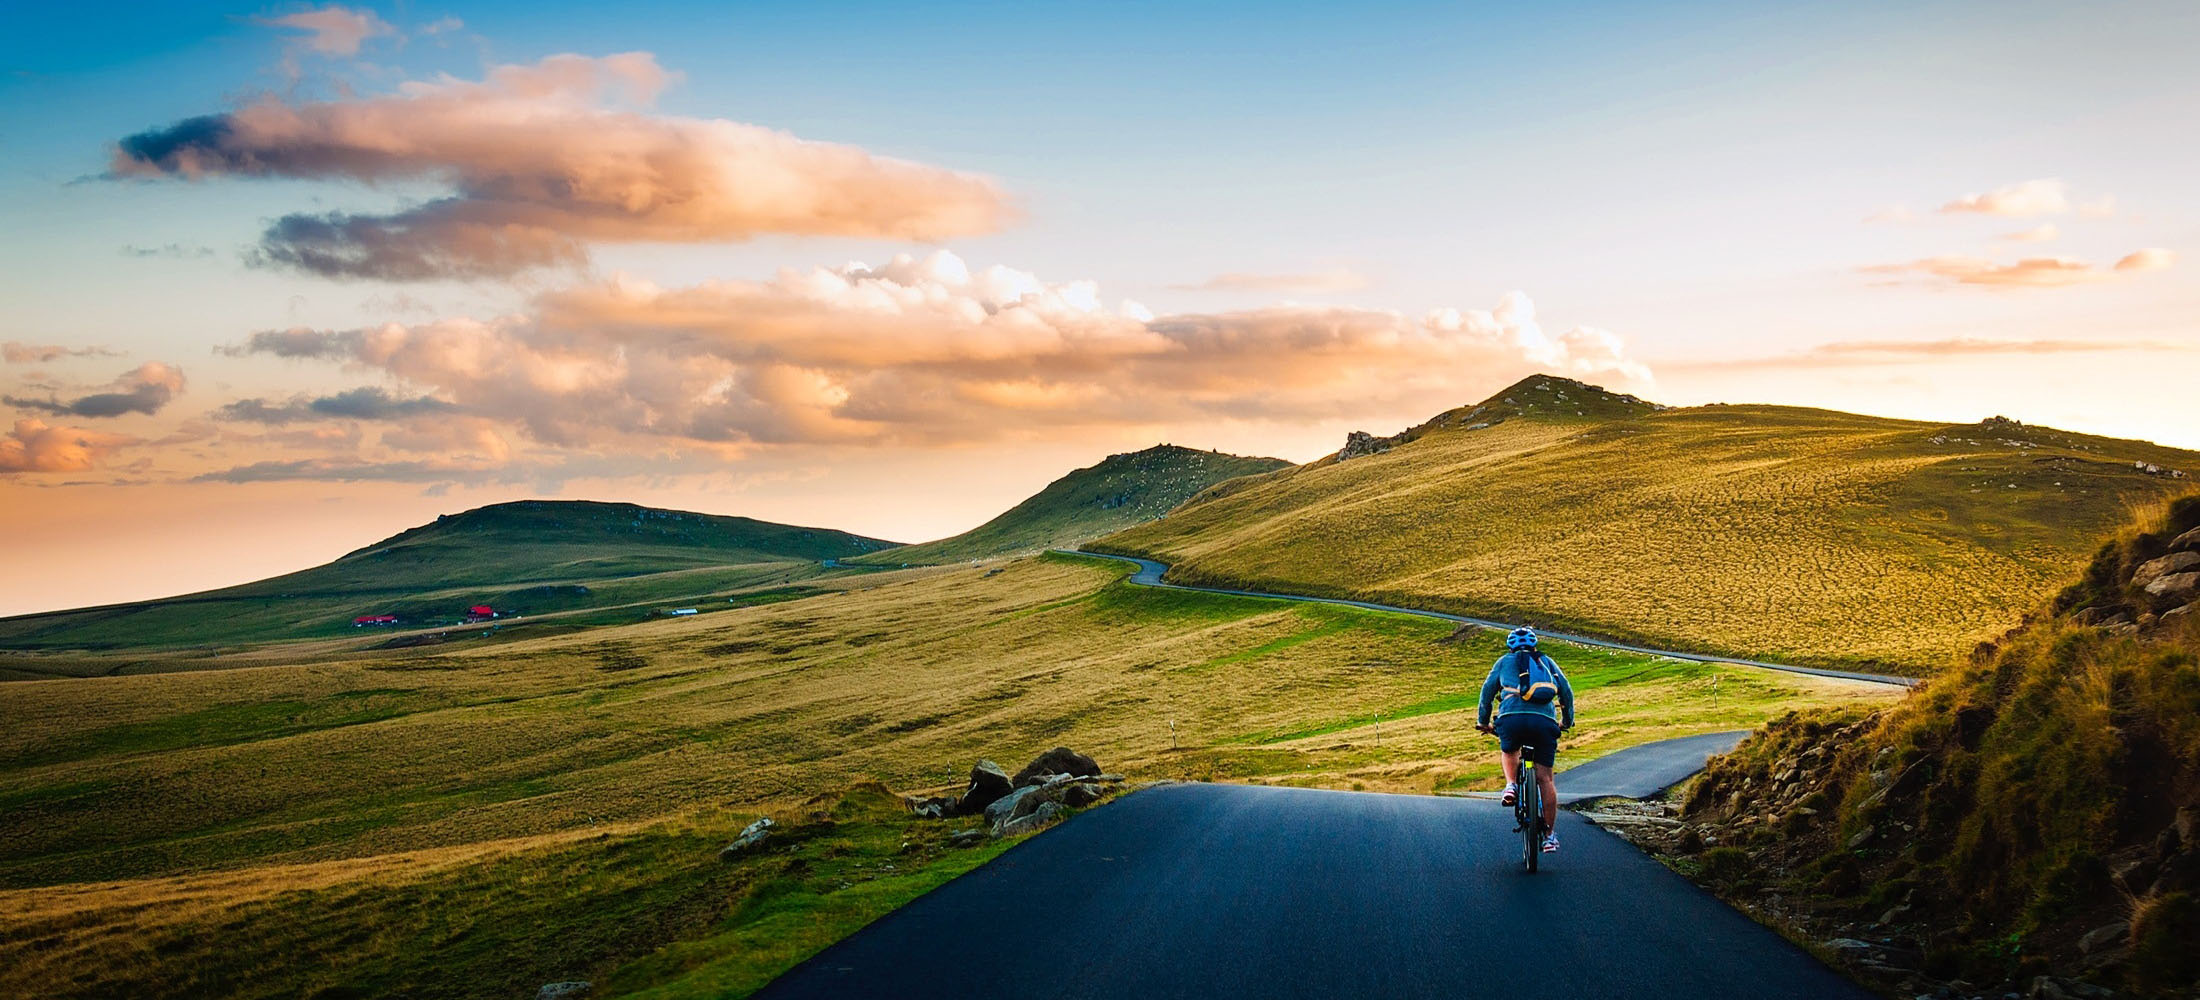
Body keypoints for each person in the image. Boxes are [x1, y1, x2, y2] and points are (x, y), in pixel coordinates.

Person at [1475, 626, 1574, 854]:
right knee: (1545, 779)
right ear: (1534, 645)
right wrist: (1566, 722)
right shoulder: (1547, 662)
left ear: (1510, 647)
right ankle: (1549, 836)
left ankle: (1511, 785)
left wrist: (1483, 721)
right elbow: (1566, 692)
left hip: (1512, 718)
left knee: (1510, 751)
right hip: (1544, 721)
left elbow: (1487, 692)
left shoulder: (1504, 662)